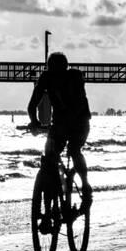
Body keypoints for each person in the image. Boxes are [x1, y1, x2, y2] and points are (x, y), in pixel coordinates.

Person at [27, 52, 93, 213]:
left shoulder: (75, 78)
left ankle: (85, 187)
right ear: (49, 69)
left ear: (66, 68)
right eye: (52, 70)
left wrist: (63, 123)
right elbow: (32, 104)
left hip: (80, 121)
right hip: (60, 124)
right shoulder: (46, 78)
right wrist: (34, 122)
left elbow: (79, 104)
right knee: (49, 156)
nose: (55, 73)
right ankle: (49, 197)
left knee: (74, 150)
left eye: (59, 70)